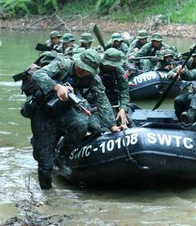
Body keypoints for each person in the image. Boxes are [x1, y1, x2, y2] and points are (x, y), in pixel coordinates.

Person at [30, 50, 120, 190]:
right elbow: (38, 75)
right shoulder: (62, 65)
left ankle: (62, 155)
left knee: (81, 124)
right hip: (43, 113)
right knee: (45, 162)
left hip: (65, 111)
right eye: (82, 69)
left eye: (87, 71)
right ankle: (47, 195)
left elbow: (102, 100)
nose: (84, 73)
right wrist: (57, 87)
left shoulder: (92, 77)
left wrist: (112, 126)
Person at [169, 43, 196, 119]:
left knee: (190, 98)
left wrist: (185, 74)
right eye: (195, 56)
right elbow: (170, 73)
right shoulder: (189, 62)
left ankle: (193, 118)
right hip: (194, 90)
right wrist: (175, 74)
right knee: (178, 100)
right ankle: (180, 119)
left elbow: (194, 74)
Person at [94, 48, 132, 129]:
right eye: (110, 65)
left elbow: (124, 90)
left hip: (111, 100)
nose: (112, 67)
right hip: (95, 101)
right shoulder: (95, 69)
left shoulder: (118, 71)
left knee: (127, 121)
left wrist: (123, 109)